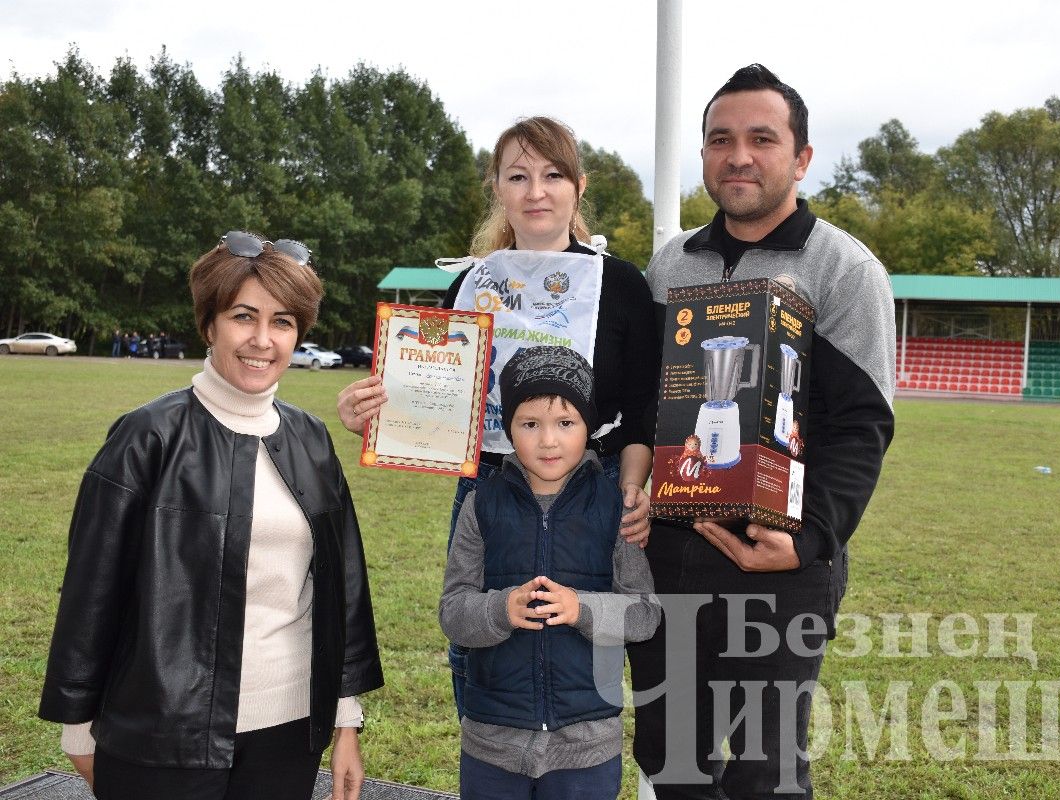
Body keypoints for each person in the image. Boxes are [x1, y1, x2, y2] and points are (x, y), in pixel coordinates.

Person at [626, 65, 896, 800]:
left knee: (763, 772)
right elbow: (647, 396)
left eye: (761, 139)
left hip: (776, 566)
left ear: (801, 157)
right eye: (720, 139)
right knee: (668, 759)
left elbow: (863, 424)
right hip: (671, 556)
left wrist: (807, 537)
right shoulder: (672, 262)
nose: (738, 155)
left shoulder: (845, 269)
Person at [39, 231, 385, 800]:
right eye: (243, 317)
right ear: (209, 324)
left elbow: (340, 590)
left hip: (288, 729)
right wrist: (77, 723)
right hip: (162, 729)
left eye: (283, 323)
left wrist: (346, 719)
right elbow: (92, 585)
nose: (262, 340)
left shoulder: (311, 439)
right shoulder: (145, 436)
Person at [336, 117, 660, 710]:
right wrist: (376, 415)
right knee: (483, 640)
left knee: (582, 649)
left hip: (593, 492)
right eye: (519, 176)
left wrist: (633, 487)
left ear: (578, 187)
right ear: (499, 189)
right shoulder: (469, 283)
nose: (536, 191)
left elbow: (643, 409)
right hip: (489, 487)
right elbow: (433, 398)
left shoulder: (620, 285)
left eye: (552, 175)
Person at [439, 346, 659, 799]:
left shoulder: (617, 509)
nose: (548, 441)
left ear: (588, 427)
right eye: (530, 424)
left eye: (565, 423)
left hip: (587, 748)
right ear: (508, 429)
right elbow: (453, 612)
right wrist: (502, 609)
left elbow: (644, 615)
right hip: (492, 743)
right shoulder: (482, 505)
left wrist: (582, 608)